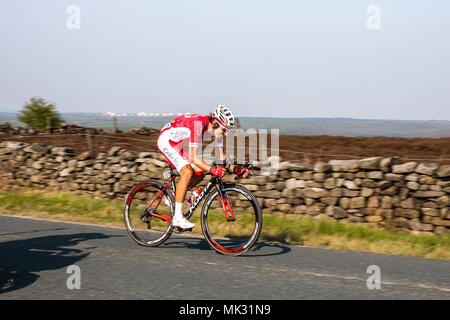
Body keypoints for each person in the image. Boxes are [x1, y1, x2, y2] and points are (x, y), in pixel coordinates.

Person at [157, 105, 250, 229]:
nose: (226, 134)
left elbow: (221, 156)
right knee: (187, 171)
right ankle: (177, 218)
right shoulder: (199, 125)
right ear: (216, 123)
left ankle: (173, 197)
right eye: (225, 130)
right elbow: (192, 157)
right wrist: (213, 170)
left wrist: (236, 169)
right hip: (167, 141)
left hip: (180, 144)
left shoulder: (216, 131)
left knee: (201, 170)